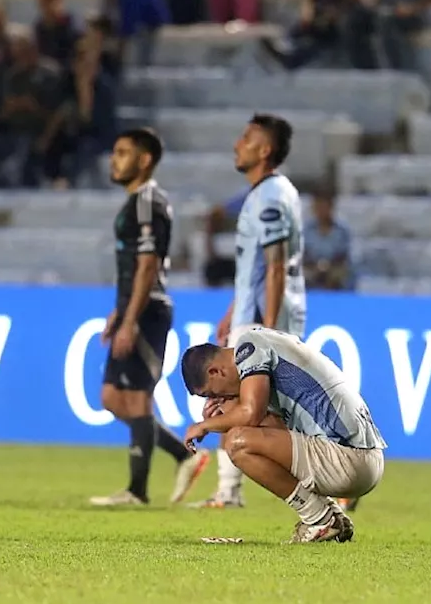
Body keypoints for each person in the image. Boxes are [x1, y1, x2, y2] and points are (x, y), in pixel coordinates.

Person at [89, 128, 210, 508]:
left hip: (148, 310)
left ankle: (137, 492)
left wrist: (130, 319)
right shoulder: (137, 202)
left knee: (138, 399)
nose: (114, 159)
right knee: (111, 397)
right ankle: (183, 455)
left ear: (144, 161)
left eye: (123, 152)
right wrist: (118, 312)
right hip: (134, 307)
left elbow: (147, 266)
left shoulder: (148, 201)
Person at [191, 113, 306, 509]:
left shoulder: (271, 197)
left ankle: (232, 492)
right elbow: (255, 268)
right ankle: (229, 492)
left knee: (242, 405)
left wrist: (266, 332)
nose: (237, 144)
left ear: (265, 150)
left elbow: (275, 266)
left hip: (263, 320)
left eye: (246, 138)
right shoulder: (267, 193)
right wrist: (232, 312)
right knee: (261, 408)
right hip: (252, 313)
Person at [179, 326, 387, 543]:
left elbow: (250, 414)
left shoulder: (248, 347)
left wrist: (204, 425)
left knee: (237, 443)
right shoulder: (268, 345)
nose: (215, 399)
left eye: (211, 393)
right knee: (245, 436)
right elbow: (266, 427)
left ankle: (319, 519)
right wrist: (223, 415)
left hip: (347, 459)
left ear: (216, 372)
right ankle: (332, 516)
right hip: (364, 460)